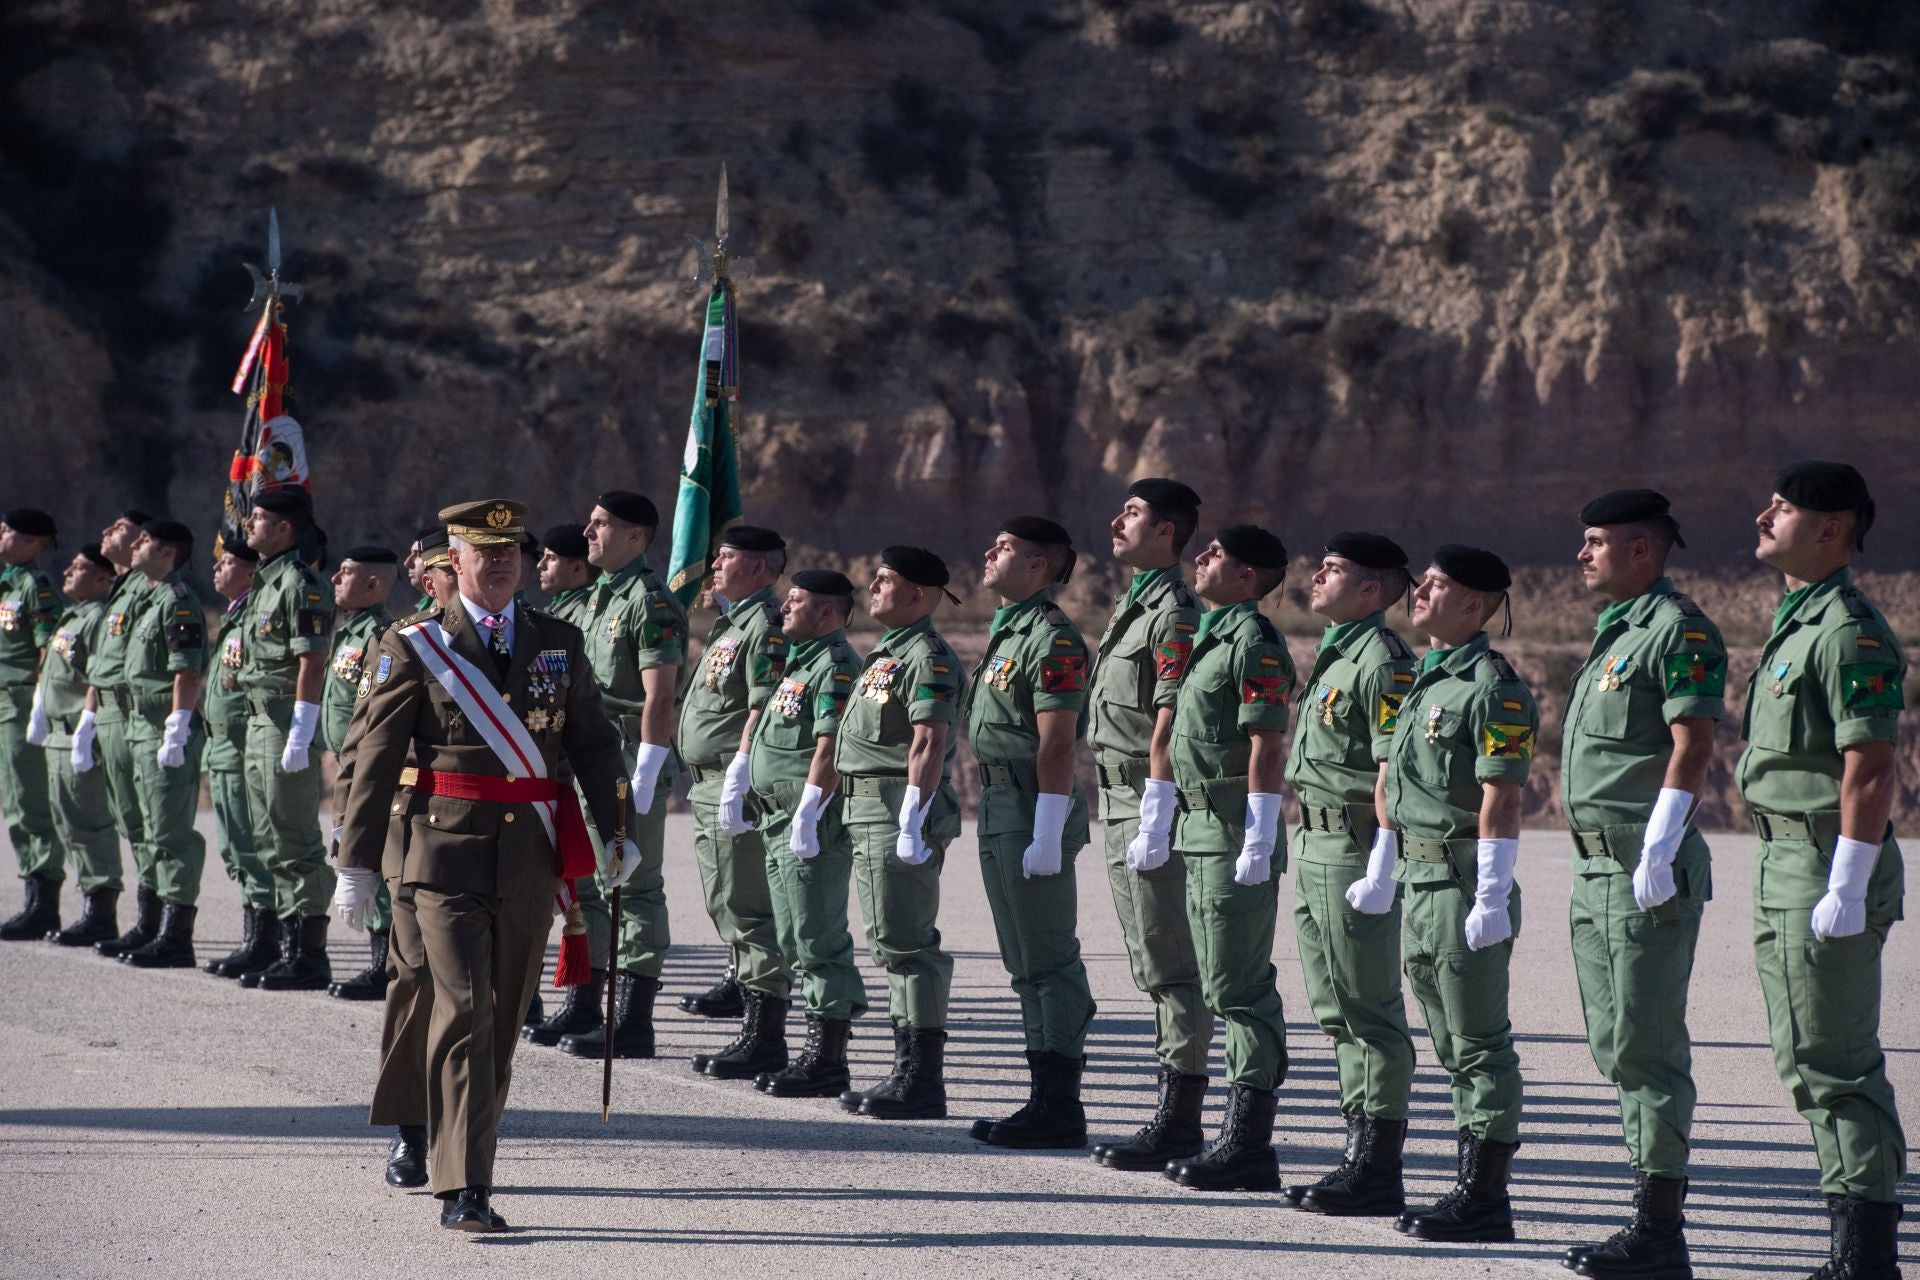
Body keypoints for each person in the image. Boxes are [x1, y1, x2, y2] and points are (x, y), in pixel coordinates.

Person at [332, 498, 629, 1232]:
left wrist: (617, 831)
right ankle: (464, 1184)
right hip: (439, 853)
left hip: (528, 857)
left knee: (499, 1019)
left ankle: (455, 1151)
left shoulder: (559, 641)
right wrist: (356, 859)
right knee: (459, 1006)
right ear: (453, 561)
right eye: (483, 552)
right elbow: (374, 757)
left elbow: (593, 743)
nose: (499, 563)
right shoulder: (414, 644)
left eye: (509, 552)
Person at [1740, 462, 1906, 1279]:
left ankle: (1866, 1254)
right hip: (1785, 860)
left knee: (1837, 1061)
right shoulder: (1799, 621)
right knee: (1806, 1058)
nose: (1764, 515)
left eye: (1784, 507)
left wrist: (1847, 882)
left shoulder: (1847, 629)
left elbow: (1870, 767)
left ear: (1831, 529)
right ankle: (1851, 1242)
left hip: (1822, 860)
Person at [1555, 490, 1725, 1278]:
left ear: (1641, 549)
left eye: (1596, 541)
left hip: (1641, 867)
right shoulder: (1616, 634)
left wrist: (1661, 842)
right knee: (1616, 1045)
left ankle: (1660, 1233)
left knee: (1647, 1046)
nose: (1582, 554)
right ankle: (1645, 1214)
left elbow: (1693, 743)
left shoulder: (1678, 630)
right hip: (1594, 867)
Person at [1385, 544, 1536, 1243]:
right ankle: (1469, 1185)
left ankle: (1485, 1198)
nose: (1419, 592)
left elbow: (1501, 796)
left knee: (1479, 1045)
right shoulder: (1426, 679)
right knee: (1450, 1044)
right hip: (1418, 881)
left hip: (1460, 882)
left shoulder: (1492, 688)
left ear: (1474, 604)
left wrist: (1492, 894)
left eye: (1436, 586)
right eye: (1422, 582)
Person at [1282, 533, 1419, 1215]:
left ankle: (1378, 1165)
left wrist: (1385, 859)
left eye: (1332, 570)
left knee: (1370, 1009)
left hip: (1353, 848)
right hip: (1312, 841)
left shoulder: (1383, 662)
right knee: (1335, 1009)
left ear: (1370, 589)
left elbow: (1392, 768)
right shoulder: (1338, 652)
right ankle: (1356, 1151)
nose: (1316, 576)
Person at [1161, 525, 1294, 1191]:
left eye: (1216, 554)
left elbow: (1267, 743)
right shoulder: (1211, 637)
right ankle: (1226, 1135)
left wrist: (1260, 834)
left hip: (1231, 831)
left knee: (1240, 988)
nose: (1201, 558)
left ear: (1247, 576)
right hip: (1199, 829)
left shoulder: (1253, 641)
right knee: (1218, 984)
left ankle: (1248, 1144)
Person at [963, 517, 1097, 1149]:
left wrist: (1047, 826)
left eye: (1006, 547)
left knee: (1049, 960)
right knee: (1023, 963)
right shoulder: (1009, 630)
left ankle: (1061, 1106)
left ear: (1039, 565)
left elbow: (1057, 743)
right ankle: (1043, 1098)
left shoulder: (1052, 638)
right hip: (1000, 804)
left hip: (1030, 804)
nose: (990, 552)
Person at [555, 491, 686, 1063]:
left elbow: (660, 694)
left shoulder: (650, 602)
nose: (588, 531)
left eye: (601, 524)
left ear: (635, 536)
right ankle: (587, 1004)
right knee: (590, 882)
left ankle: (633, 1021)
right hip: (589, 756)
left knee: (633, 887)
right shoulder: (594, 601)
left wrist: (649, 768)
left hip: (627, 759)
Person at [834, 546, 964, 1120]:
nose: (872, 586)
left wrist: (913, 815)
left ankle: (922, 1079)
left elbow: (929, 741)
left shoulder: (927, 656)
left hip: (896, 806)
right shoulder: (889, 652)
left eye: (884, 579)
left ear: (917, 593)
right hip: (869, 806)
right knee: (889, 942)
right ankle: (905, 1068)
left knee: (909, 944)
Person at [747, 569, 868, 1097]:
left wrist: (810, 811)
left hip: (809, 821)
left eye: (795, 601)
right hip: (777, 818)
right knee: (794, 937)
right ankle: (813, 1049)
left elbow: (829, 745)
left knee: (819, 938)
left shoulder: (836, 664)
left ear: (826, 611)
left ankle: (827, 1059)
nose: (783, 608)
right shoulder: (800, 661)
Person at [679, 525, 793, 1078]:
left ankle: (764, 1037)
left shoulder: (765, 626)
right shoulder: (733, 623)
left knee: (747, 910)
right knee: (728, 904)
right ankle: (753, 1024)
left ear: (758, 567)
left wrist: (740, 774)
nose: (715, 566)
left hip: (732, 783)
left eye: (726, 557)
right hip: (706, 784)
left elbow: (761, 705)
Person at [237, 487, 337, 990]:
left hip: (283, 725)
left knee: (295, 838)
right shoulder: (264, 583)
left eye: (257, 518)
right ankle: (285, 947)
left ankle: (310, 955)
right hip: (258, 722)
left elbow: (311, 660)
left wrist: (301, 729)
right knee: (268, 838)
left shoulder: (300, 583)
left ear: (284, 528)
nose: (248, 524)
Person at [117, 520, 209, 968]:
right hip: (140, 728)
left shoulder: (177, 600)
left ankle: (176, 936)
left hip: (163, 730)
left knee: (171, 835)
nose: (135, 544)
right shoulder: (148, 598)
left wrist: (177, 727)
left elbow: (185, 671)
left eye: (145, 540)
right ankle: (150, 925)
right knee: (149, 831)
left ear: (168, 552)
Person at [30, 544, 123, 946]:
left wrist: (87, 726)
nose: (68, 571)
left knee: (89, 825)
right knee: (67, 823)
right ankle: (88, 904)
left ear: (102, 578)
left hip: (76, 734)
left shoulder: (98, 618)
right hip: (57, 734)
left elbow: (96, 677)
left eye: (79, 567)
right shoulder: (73, 615)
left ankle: (101, 913)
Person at [323, 546, 398, 1001]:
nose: (335, 578)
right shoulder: (349, 631)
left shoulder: (378, 634)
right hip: (347, 762)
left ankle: (383, 965)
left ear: (372, 583)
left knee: (374, 860)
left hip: (370, 767)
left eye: (347, 572)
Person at [82, 510, 157, 957]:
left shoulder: (147, 589)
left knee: (148, 824)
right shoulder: (121, 587)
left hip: (133, 714)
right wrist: (89, 717)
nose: (107, 530)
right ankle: (146, 922)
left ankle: (155, 924)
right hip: (110, 712)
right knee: (131, 820)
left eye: (120, 528)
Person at [202, 542, 278, 976]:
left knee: (252, 844)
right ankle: (254, 937)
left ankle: (266, 940)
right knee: (235, 846)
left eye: (227, 562)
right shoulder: (233, 615)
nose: (217, 567)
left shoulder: (253, 616)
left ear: (250, 574)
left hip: (243, 742)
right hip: (221, 745)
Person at [0, 508, 65, 940]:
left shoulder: (34, 585)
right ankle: (31, 895)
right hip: (4, 699)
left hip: (23, 699)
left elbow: (46, 647)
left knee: (31, 799)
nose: (0, 535)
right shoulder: (7, 582)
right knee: (12, 800)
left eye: (7, 531)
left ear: (32, 541)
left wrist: (42, 701)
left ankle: (44, 902)